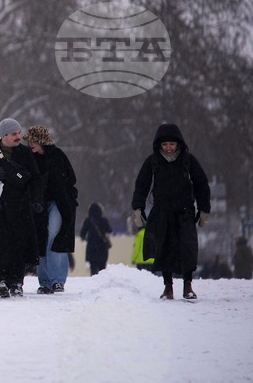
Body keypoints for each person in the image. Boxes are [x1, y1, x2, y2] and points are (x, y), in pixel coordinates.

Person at [131, 122, 211, 300]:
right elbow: (141, 184)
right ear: (159, 144)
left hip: (184, 213)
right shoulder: (153, 161)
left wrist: (204, 208)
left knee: (187, 249)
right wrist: (138, 207)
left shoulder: (188, 160)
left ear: (179, 144)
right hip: (162, 212)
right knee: (164, 249)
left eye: (171, 144)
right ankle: (168, 287)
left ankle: (188, 285)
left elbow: (201, 184)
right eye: (165, 144)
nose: (168, 148)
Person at [0, 118, 41, 297]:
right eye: (14, 134)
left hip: (20, 208)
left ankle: (16, 282)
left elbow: (35, 178)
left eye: (19, 133)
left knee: (18, 246)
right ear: (3, 136)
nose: (18, 137)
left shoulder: (25, 153)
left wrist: (36, 201)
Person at [25, 126, 77, 294]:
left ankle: (57, 280)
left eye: (33, 140)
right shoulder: (29, 158)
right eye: (29, 141)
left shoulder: (57, 156)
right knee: (41, 239)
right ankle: (45, 282)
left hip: (58, 203)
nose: (30, 144)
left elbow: (70, 179)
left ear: (42, 141)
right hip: (38, 205)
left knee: (54, 236)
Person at [80, 202, 112, 276]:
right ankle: (102, 284)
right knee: (102, 270)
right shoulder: (104, 220)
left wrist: (88, 239)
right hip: (102, 249)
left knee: (93, 270)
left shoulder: (88, 220)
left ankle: (94, 284)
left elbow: (82, 234)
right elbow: (109, 230)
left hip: (92, 249)